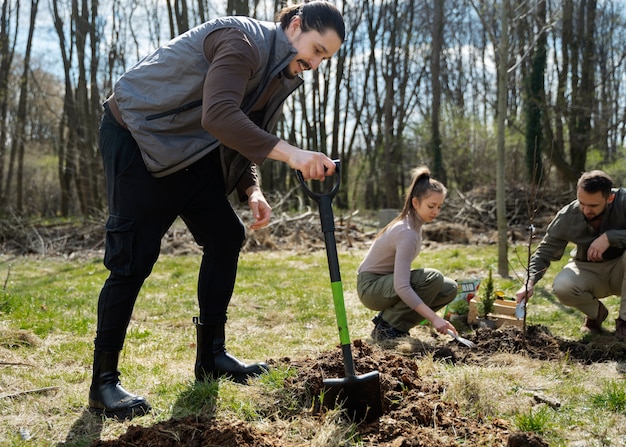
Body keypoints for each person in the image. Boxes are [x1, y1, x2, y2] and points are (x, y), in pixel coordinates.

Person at [89, 1, 345, 420]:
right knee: (132, 260)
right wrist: (296, 155)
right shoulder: (240, 41)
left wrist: (251, 190)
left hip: (190, 152)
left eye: (324, 58)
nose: (315, 63)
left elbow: (242, 132)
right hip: (137, 135)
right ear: (295, 25)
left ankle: (211, 357)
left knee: (226, 236)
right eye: (316, 49)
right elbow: (220, 115)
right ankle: (103, 383)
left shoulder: (277, 72)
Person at [515, 170, 626, 341]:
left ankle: (624, 324)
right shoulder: (568, 215)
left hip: (622, 268)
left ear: (609, 198)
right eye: (582, 203)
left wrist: (610, 237)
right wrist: (529, 282)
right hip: (589, 269)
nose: (586, 210)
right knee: (563, 286)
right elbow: (544, 251)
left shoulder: (623, 201)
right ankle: (596, 314)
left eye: (593, 206)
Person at [356, 167, 458, 342]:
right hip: (370, 288)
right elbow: (402, 286)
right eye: (431, 206)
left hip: (385, 284)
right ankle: (387, 327)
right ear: (415, 203)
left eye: (439, 207)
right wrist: (434, 318)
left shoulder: (415, 226)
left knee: (448, 288)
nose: (436, 212)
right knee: (432, 278)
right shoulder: (407, 231)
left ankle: (397, 324)